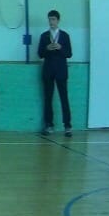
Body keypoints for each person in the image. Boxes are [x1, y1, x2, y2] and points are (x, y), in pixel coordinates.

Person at [37, 9, 73, 137]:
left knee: (64, 98)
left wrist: (60, 48)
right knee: (48, 99)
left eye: (53, 19)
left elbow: (69, 54)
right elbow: (40, 54)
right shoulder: (44, 36)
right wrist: (47, 48)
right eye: (49, 19)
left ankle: (67, 126)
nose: (51, 22)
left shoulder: (65, 36)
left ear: (58, 20)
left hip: (61, 71)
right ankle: (49, 125)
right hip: (48, 71)